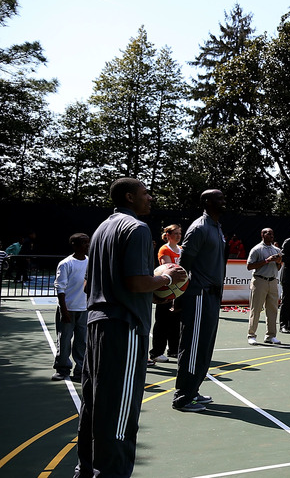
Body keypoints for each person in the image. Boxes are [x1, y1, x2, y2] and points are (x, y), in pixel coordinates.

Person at [76, 178, 186, 476]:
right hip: (123, 328)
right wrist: (167, 280)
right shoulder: (136, 228)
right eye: (145, 193)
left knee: (94, 404)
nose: (150, 198)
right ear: (129, 196)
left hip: (96, 324)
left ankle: (86, 470)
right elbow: (136, 281)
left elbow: (89, 285)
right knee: (120, 411)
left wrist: (151, 295)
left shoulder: (101, 229)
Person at [173, 189, 228, 412]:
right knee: (193, 347)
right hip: (199, 295)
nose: (224, 201)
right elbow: (183, 264)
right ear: (206, 202)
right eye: (219, 198)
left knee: (204, 347)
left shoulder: (217, 227)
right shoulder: (199, 228)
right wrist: (178, 295)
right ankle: (182, 397)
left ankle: (193, 390)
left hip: (212, 296)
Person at [51, 232, 89, 381]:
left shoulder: (90, 261)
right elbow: (60, 288)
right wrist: (64, 310)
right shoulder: (66, 263)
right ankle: (62, 368)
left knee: (82, 342)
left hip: (84, 309)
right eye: (84, 243)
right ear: (74, 245)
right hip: (68, 309)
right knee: (64, 340)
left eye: (88, 242)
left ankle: (80, 370)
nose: (87, 245)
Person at [149, 224, 183, 364]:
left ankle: (174, 349)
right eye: (175, 233)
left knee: (176, 321)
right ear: (167, 235)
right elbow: (169, 268)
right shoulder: (164, 249)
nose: (178, 236)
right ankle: (156, 352)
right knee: (162, 321)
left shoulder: (181, 249)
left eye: (180, 233)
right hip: (166, 289)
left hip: (179, 289)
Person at [246, 228, 283, 346]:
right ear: (262, 235)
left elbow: (278, 268)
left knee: (272, 310)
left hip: (272, 282)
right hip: (259, 281)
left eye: (272, 233)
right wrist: (267, 260)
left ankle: (271, 336)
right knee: (256, 309)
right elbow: (249, 266)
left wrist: (278, 262)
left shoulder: (277, 249)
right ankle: (251, 335)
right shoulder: (257, 249)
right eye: (268, 233)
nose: (271, 235)